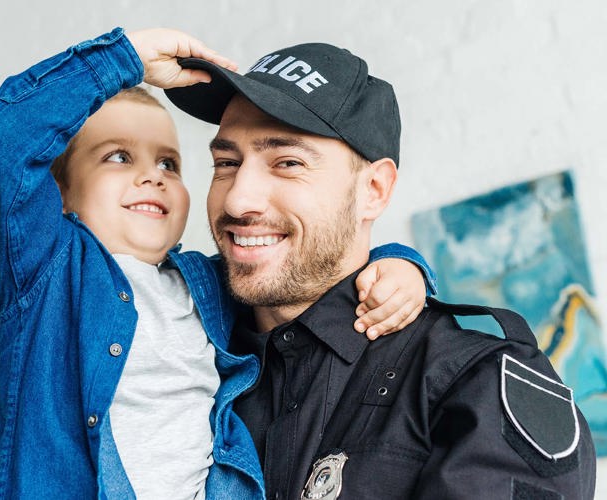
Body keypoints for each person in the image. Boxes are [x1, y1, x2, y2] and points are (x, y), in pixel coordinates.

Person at [0, 28, 437, 499]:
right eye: (118, 157)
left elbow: (296, 265)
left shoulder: (203, 286)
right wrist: (121, 60)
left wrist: (400, 263)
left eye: (169, 164)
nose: (151, 175)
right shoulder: (42, 276)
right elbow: (4, 141)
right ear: (60, 193)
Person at [165, 42, 598, 499]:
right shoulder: (178, 352)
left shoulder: (475, 381)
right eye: (227, 163)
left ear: (374, 189)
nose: (237, 200)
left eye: (287, 163)